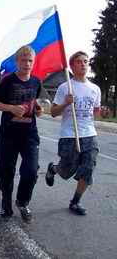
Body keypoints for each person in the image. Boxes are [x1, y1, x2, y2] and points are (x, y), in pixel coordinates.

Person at [0, 45, 43, 222]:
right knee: (5, 171)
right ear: (17, 62)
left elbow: (35, 103)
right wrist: (11, 108)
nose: (27, 63)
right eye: (23, 60)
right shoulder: (8, 81)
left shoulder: (36, 82)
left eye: (30, 60)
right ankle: (6, 203)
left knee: (31, 170)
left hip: (29, 134)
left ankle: (22, 201)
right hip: (8, 134)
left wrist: (38, 108)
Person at [46, 51, 101, 216]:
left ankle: (75, 202)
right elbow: (54, 112)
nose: (83, 64)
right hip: (70, 134)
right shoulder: (65, 87)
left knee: (88, 168)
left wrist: (102, 112)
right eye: (79, 62)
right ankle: (54, 169)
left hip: (89, 134)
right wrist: (65, 103)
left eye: (85, 61)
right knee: (67, 170)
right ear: (72, 65)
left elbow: (96, 112)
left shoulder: (95, 88)